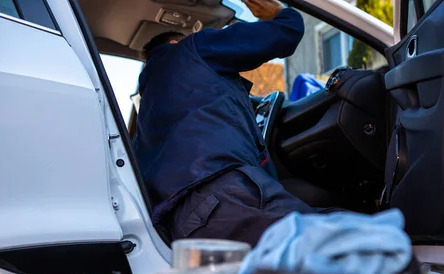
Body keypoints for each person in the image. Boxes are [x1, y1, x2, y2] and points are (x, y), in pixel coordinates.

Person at [133, 0, 332, 246]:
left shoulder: (150, 108)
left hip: (183, 226)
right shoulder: (191, 49)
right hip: (224, 197)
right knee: (348, 239)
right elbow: (286, 32)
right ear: (176, 43)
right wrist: (279, 13)